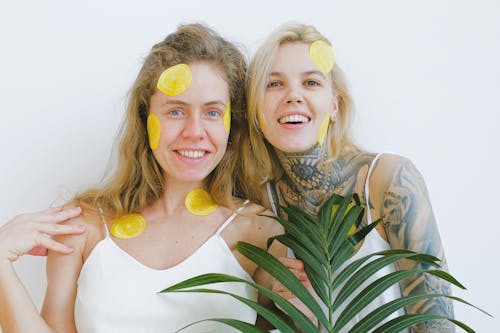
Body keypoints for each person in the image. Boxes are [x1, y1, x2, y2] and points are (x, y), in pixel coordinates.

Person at [0, 23, 284, 333]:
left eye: (213, 112)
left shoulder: (260, 232)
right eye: (176, 111)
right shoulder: (84, 227)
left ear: (232, 125)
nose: (194, 131)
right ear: (144, 118)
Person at [241, 22, 455, 332]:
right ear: (256, 110)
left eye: (311, 82)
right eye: (274, 84)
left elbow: (437, 323)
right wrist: (300, 316)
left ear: (334, 105)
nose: (293, 96)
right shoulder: (261, 206)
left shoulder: (389, 181)